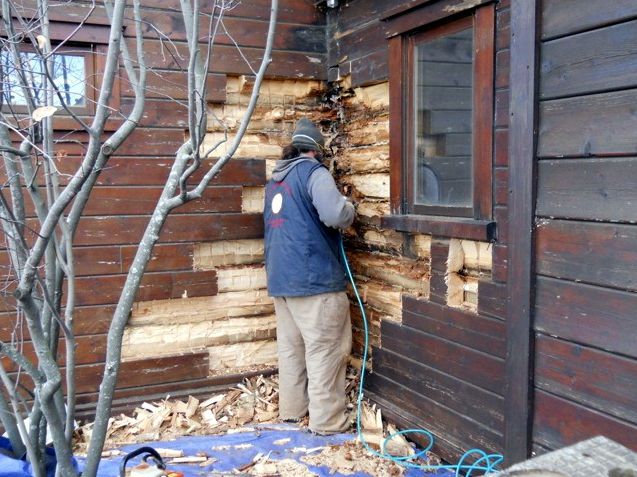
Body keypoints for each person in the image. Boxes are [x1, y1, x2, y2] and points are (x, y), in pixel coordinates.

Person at [264, 118, 355, 434]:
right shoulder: (314, 173)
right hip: (314, 279)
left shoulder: (275, 181)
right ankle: (328, 422)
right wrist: (349, 208)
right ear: (316, 151)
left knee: (292, 349)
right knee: (326, 349)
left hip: (282, 281)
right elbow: (335, 215)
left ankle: (292, 411)